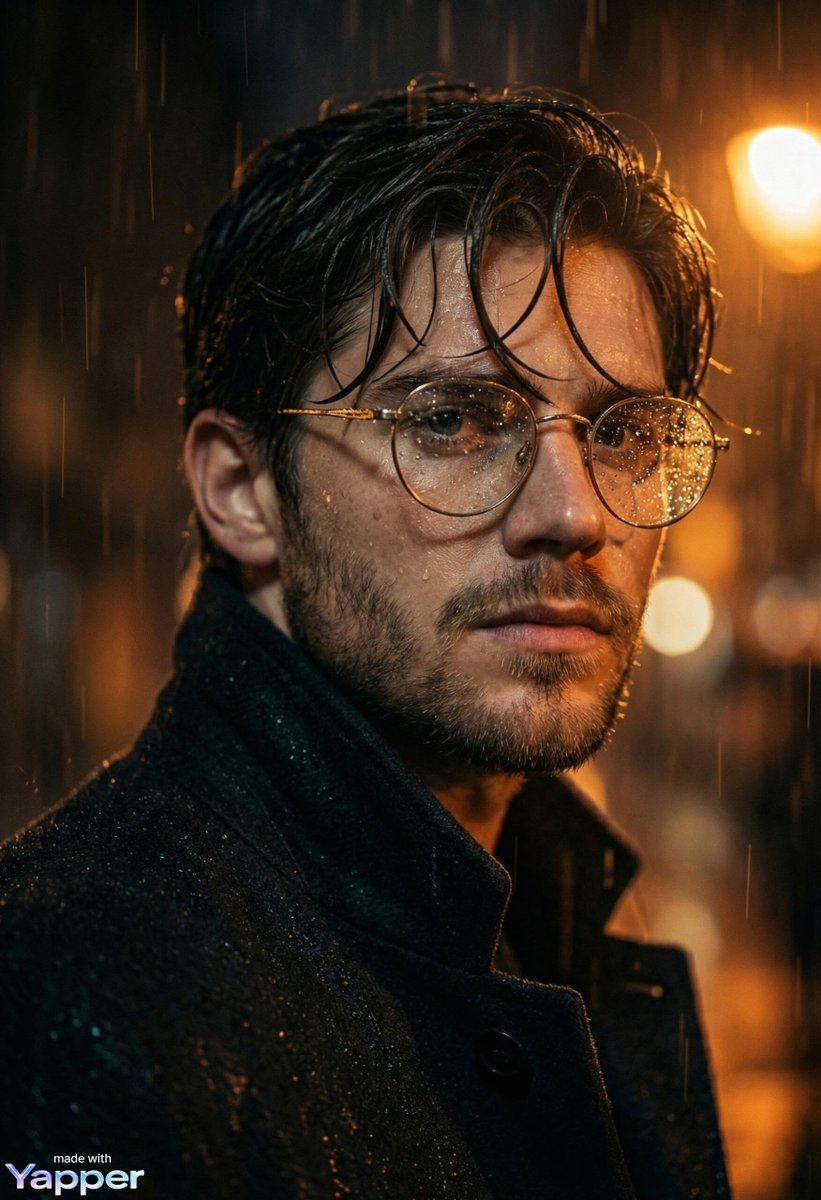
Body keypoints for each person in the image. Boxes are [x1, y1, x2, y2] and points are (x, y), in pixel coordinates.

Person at [0, 81, 732, 1199]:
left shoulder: (559, 925)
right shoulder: (66, 987)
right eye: (450, 419)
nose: (575, 512)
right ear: (243, 490)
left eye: (623, 432)